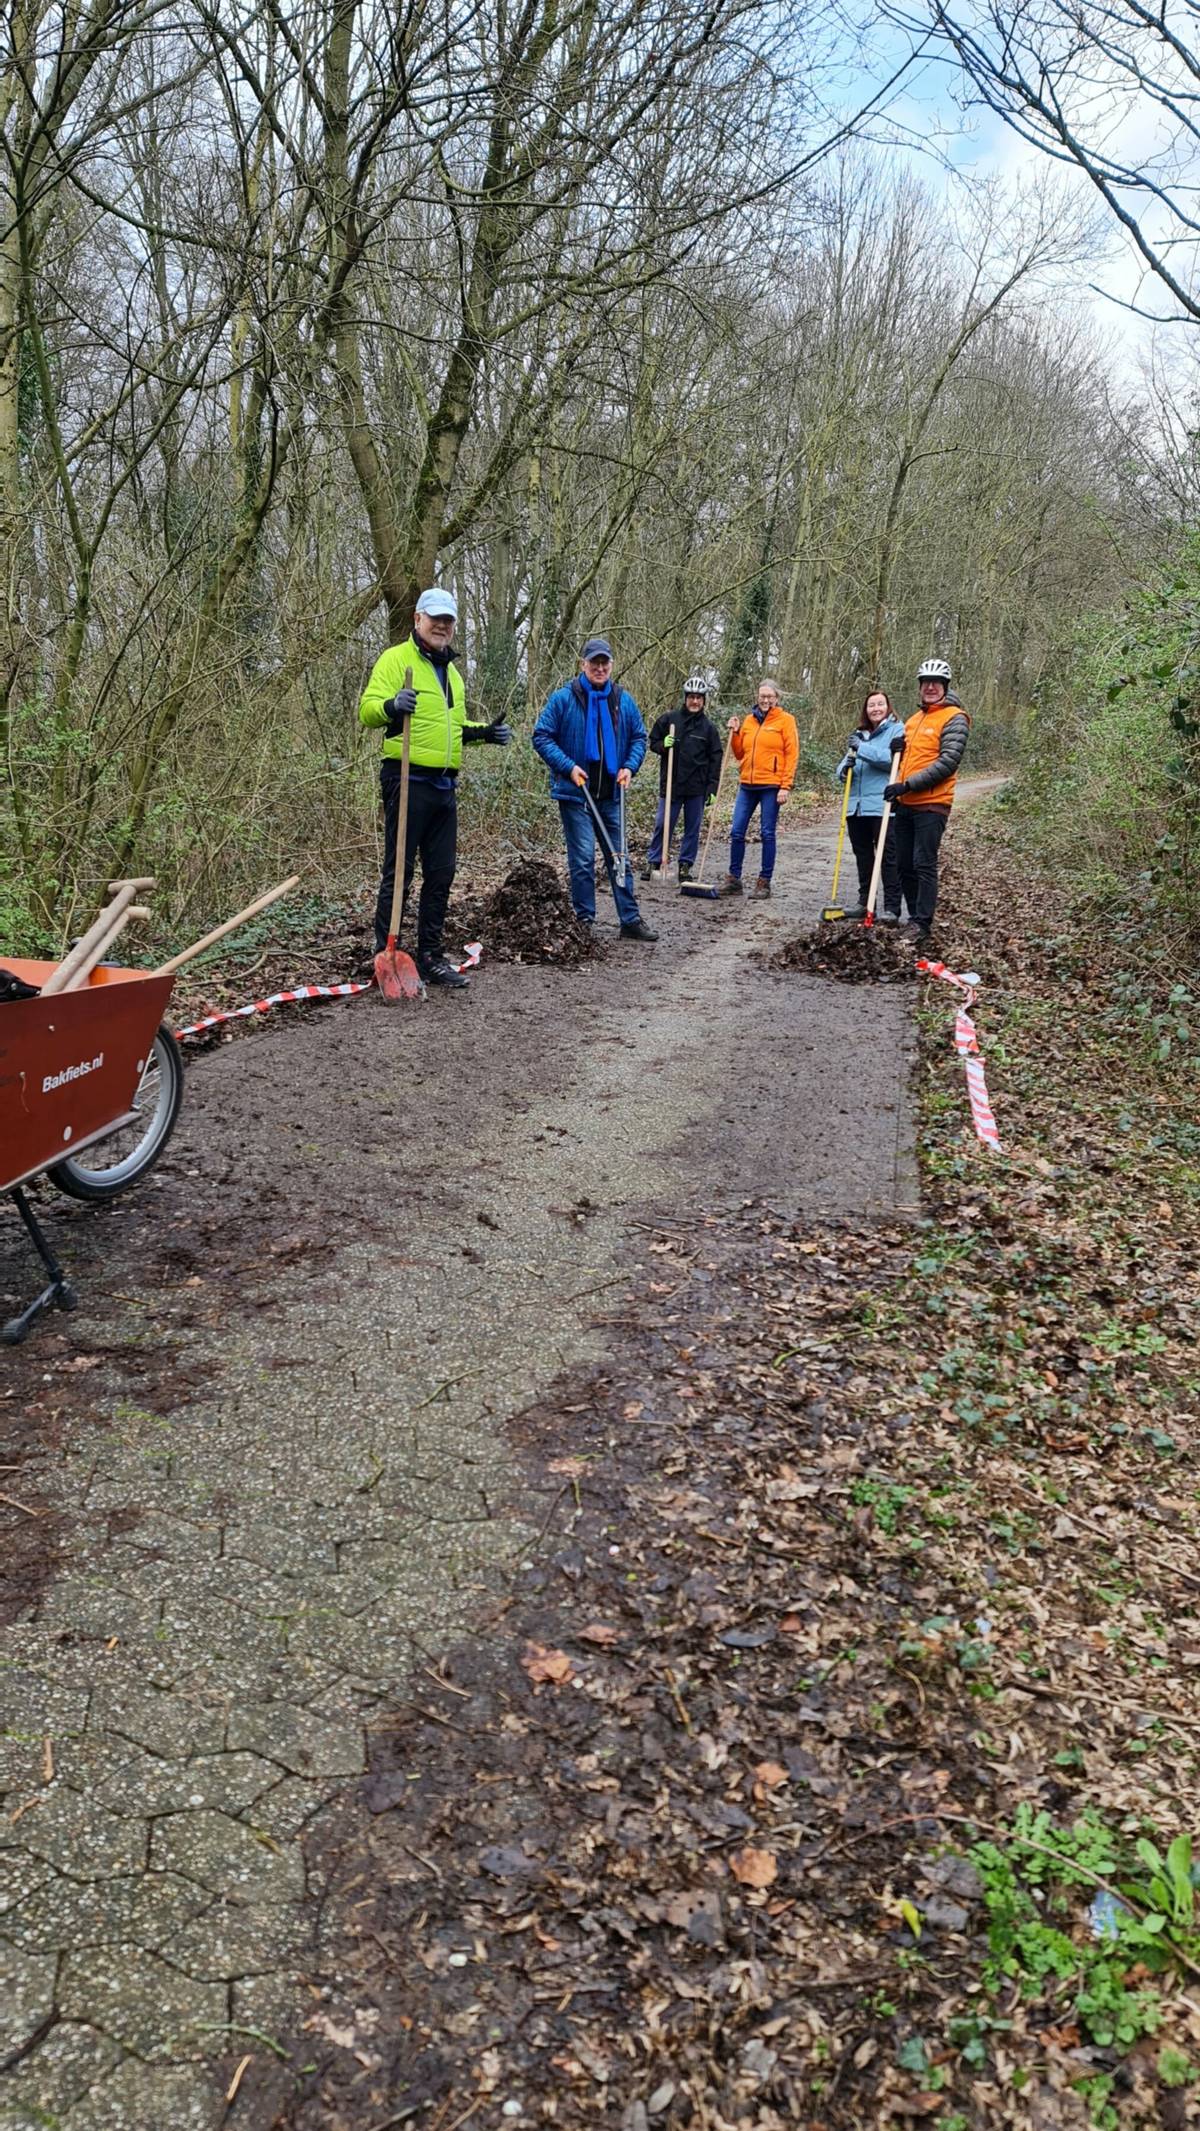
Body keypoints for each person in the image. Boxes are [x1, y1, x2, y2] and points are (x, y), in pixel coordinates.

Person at [359, 586, 511, 989]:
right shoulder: (395, 661)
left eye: (448, 620)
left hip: (444, 785)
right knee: (399, 871)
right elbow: (367, 710)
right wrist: (392, 706)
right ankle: (385, 951)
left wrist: (485, 733)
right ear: (418, 620)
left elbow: (449, 731)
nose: (442, 626)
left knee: (442, 873)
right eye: (435, 619)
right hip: (406, 778)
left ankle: (430, 955)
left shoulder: (454, 675)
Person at [531, 636, 657, 940]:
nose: (599, 668)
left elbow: (639, 737)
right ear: (583, 664)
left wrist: (629, 766)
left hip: (612, 794)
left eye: (604, 663)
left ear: (611, 665)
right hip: (577, 794)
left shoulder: (622, 699)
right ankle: (584, 921)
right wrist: (568, 766)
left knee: (620, 858)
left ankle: (629, 919)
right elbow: (542, 736)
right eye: (594, 662)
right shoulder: (564, 698)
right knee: (584, 859)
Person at [884, 657, 970, 944]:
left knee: (923, 863)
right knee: (903, 864)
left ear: (945, 686)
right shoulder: (913, 720)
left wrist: (906, 785)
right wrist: (895, 751)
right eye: (926, 683)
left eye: (936, 683)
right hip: (906, 803)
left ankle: (922, 923)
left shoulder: (955, 718)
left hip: (933, 805)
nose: (930, 687)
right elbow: (905, 760)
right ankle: (912, 917)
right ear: (920, 687)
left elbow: (947, 763)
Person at [720, 678, 799, 898]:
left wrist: (786, 786)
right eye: (762, 696)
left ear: (776, 698)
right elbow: (739, 753)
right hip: (747, 784)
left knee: (767, 833)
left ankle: (764, 882)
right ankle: (734, 879)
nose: (765, 700)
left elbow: (792, 754)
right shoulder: (749, 720)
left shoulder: (786, 721)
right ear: (757, 697)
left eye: (769, 696)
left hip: (771, 786)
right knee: (736, 831)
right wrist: (735, 733)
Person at [641, 674, 724, 883]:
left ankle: (685, 864)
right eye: (691, 697)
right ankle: (654, 861)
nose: (694, 701)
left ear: (704, 700)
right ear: (685, 698)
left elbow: (716, 760)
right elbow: (653, 742)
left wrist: (713, 789)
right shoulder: (669, 720)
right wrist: (663, 745)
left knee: (692, 828)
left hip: (697, 787)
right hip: (671, 784)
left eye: (699, 697)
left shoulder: (709, 729)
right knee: (662, 823)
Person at [834, 688, 906, 921]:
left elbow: (891, 760)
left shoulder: (897, 730)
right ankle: (865, 902)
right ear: (866, 709)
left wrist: (861, 749)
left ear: (888, 707)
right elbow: (843, 766)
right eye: (871, 705)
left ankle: (891, 908)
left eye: (880, 704)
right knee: (863, 856)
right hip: (856, 806)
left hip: (882, 805)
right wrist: (844, 770)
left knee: (887, 857)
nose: (875, 708)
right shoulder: (859, 734)